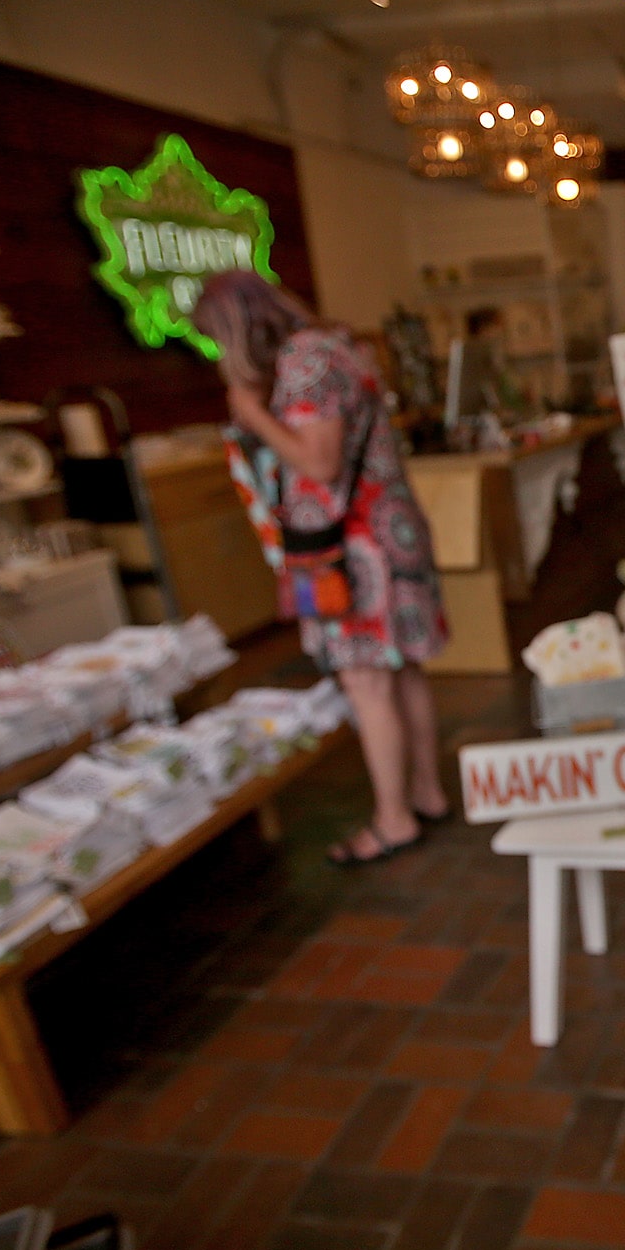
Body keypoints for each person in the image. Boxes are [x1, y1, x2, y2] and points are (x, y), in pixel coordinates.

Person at [192, 270, 453, 864]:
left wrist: (249, 413)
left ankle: (393, 820)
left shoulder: (304, 363)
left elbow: (319, 461)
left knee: (366, 681)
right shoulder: (336, 346)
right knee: (403, 669)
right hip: (385, 531)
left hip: (351, 551)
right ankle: (426, 793)